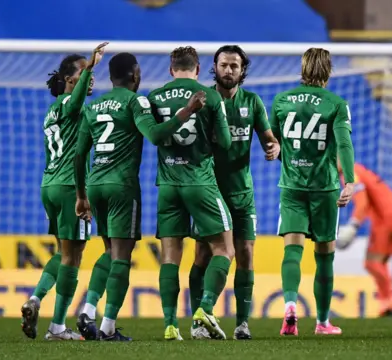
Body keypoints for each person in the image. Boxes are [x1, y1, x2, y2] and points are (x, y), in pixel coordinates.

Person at [74, 52, 205, 341]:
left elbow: (79, 153)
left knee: (108, 251)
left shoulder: (92, 106)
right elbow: (156, 135)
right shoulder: (135, 101)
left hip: (95, 184)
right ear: (135, 74)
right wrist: (187, 111)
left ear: (110, 77)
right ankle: (107, 327)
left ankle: (87, 308)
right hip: (122, 186)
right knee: (122, 256)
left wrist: (81, 196)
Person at [188, 45, 280, 340]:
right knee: (202, 255)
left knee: (246, 254)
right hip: (209, 192)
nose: (229, 70)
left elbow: (269, 138)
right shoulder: (203, 101)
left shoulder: (252, 102)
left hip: (242, 193)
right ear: (214, 67)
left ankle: (242, 323)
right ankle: (198, 322)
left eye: (234, 66)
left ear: (243, 70)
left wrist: (274, 147)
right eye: (224, 65)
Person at [21, 42, 108, 341]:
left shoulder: (51, 111)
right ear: (71, 79)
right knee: (74, 257)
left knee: (63, 252)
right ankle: (57, 327)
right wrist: (93, 64)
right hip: (71, 187)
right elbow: (77, 101)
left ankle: (35, 298)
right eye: (84, 73)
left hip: (49, 185)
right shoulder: (71, 105)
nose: (90, 77)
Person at [147, 46, 235, 340]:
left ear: (171, 69)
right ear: (197, 70)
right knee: (224, 249)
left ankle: (170, 325)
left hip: (168, 185)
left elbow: (154, 136)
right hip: (200, 182)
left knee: (170, 257)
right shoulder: (210, 96)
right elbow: (224, 143)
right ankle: (205, 308)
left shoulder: (155, 97)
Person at [269, 47, 355, 336]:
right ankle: (322, 322)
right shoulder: (336, 104)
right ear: (328, 70)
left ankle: (290, 306)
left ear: (303, 68)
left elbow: (273, 144)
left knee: (292, 251)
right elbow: (344, 145)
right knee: (324, 255)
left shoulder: (282, 101)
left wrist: (288, 160)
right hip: (325, 189)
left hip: (291, 187)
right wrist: (350, 182)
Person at [336, 162, 392, 317]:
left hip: (386, 220)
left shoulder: (350, 173)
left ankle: (390, 303)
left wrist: (353, 226)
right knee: (379, 263)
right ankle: (388, 305)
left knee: (372, 263)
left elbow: (362, 203)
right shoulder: (358, 168)